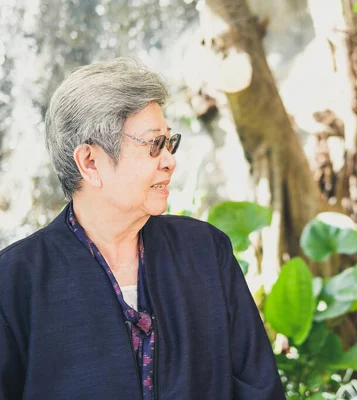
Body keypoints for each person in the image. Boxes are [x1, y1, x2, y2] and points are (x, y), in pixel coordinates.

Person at [0, 58, 285, 399]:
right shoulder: (15, 280)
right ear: (90, 163)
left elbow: (259, 388)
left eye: (169, 143)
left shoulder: (206, 251)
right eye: (154, 145)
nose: (170, 160)